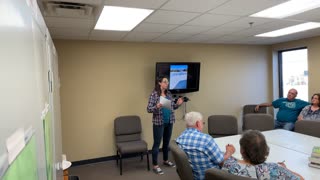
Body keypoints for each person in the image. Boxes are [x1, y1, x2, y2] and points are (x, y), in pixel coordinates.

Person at [176, 111, 235, 180]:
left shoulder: (180, 137)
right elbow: (220, 160)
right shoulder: (205, 139)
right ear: (198, 123)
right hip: (210, 176)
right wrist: (229, 151)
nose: (203, 125)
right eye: (202, 123)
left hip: (194, 174)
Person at [222, 130, 304, 180]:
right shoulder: (275, 169)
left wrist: (229, 152)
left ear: (242, 150)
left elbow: (221, 159)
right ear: (265, 149)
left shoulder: (229, 164)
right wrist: (285, 169)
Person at [147, 76, 184, 175]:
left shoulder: (169, 94)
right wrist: (157, 106)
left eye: (167, 82)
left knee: (166, 142)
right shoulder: (154, 95)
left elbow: (173, 107)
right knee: (157, 143)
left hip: (169, 121)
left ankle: (165, 160)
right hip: (159, 122)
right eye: (165, 82)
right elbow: (149, 109)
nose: (167, 84)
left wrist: (178, 104)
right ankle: (155, 165)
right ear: (159, 83)